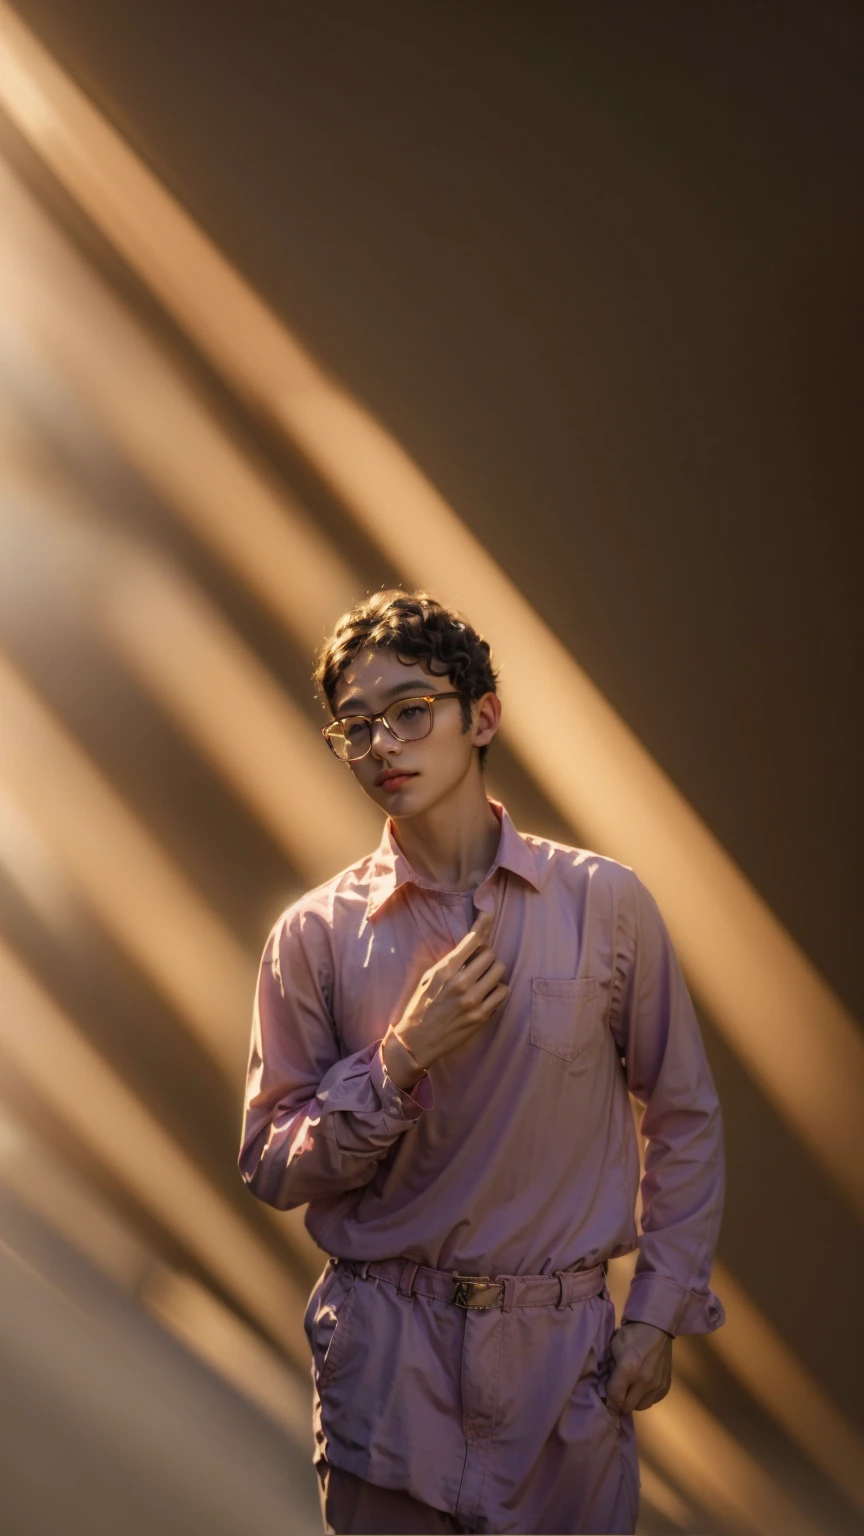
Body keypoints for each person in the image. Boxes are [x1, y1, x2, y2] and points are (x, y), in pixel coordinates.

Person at [238, 589, 726, 1535]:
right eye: (355, 725)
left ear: (483, 716)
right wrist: (398, 1061)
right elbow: (271, 1161)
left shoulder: (606, 905)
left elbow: (683, 1114)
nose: (383, 743)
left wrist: (659, 1315)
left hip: (561, 1370)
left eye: (411, 710)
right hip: (386, 1362)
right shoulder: (313, 935)